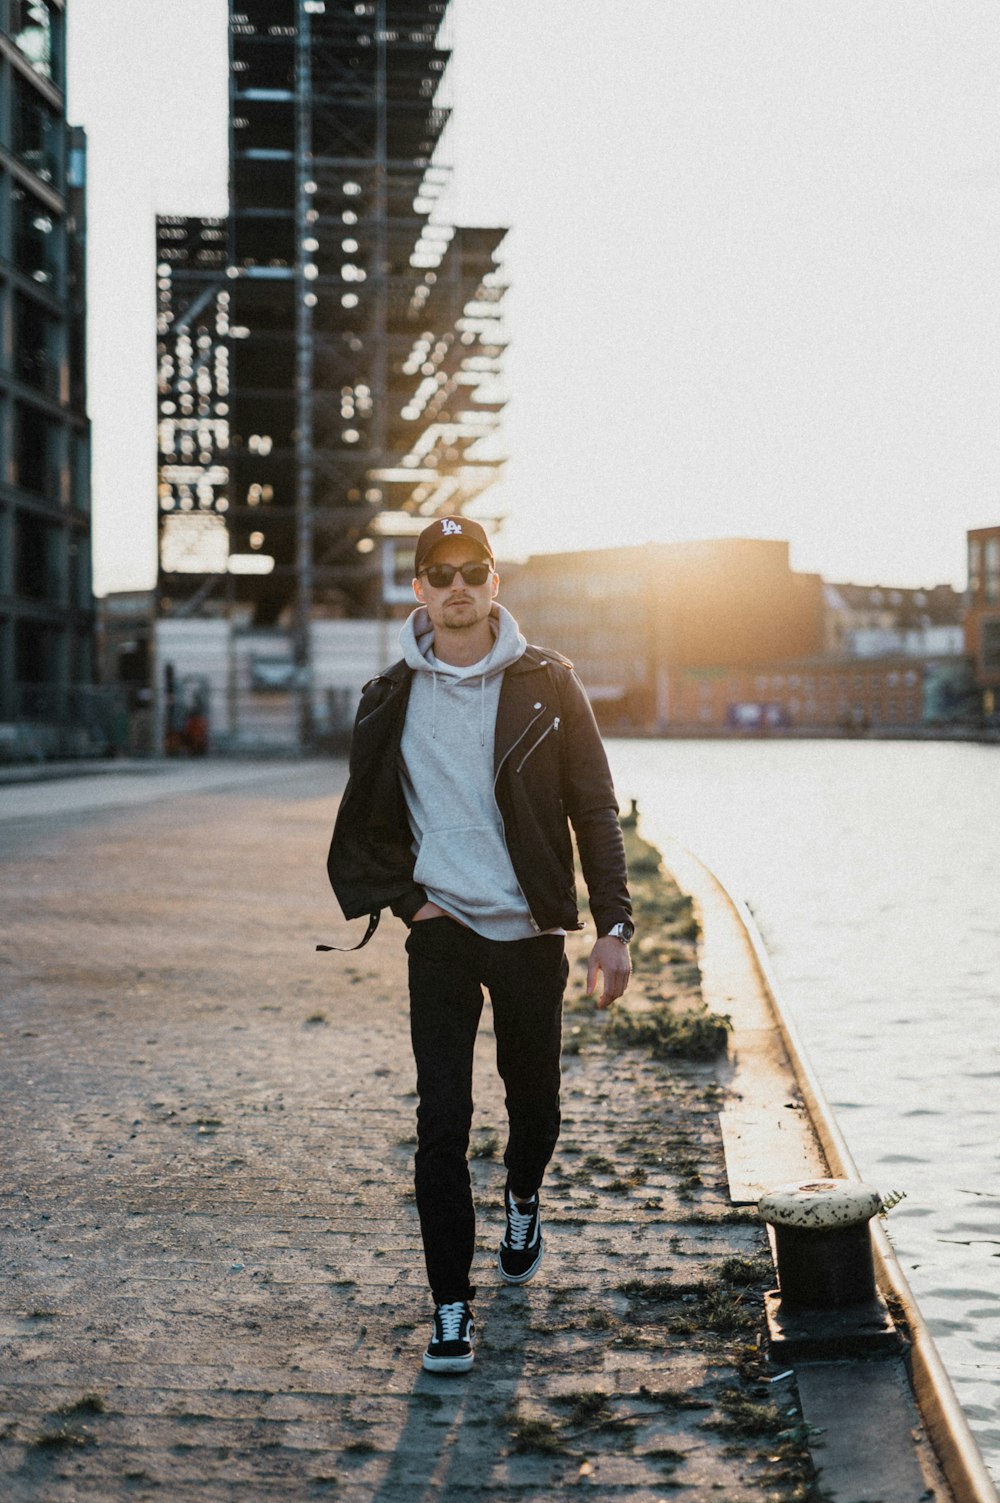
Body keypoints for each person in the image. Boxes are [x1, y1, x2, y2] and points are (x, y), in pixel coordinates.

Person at [326, 515, 633, 1374]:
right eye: (440, 572)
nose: (457, 586)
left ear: (496, 583)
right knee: (441, 1124)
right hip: (444, 936)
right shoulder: (388, 695)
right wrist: (412, 905)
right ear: (418, 589)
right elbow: (368, 824)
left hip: (531, 933)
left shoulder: (549, 683)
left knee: (535, 1108)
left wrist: (613, 926)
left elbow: (596, 809)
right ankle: (450, 1307)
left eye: (473, 570)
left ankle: (525, 1194)